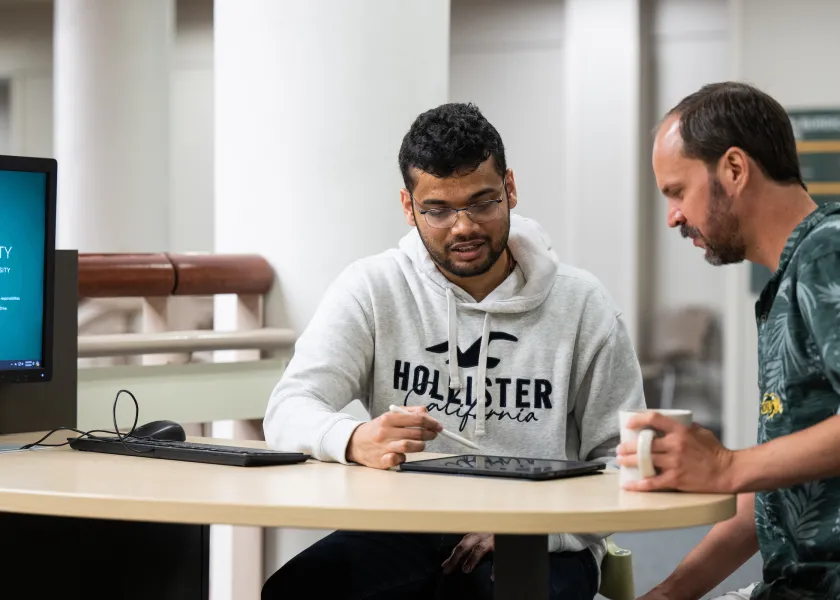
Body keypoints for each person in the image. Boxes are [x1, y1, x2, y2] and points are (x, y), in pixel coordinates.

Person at [260, 102, 645, 600]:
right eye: (438, 210)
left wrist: (537, 529)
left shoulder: (582, 304)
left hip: (545, 535)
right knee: (295, 591)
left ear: (510, 188)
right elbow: (289, 407)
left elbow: (623, 460)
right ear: (409, 207)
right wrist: (353, 437)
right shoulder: (372, 288)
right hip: (406, 526)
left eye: (482, 202)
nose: (463, 227)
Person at [618, 81, 840, 600]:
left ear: (735, 169)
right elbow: (772, 492)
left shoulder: (826, 255)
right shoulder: (791, 278)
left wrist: (726, 465)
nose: (673, 216)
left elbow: (739, 471)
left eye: (677, 191)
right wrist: (670, 592)